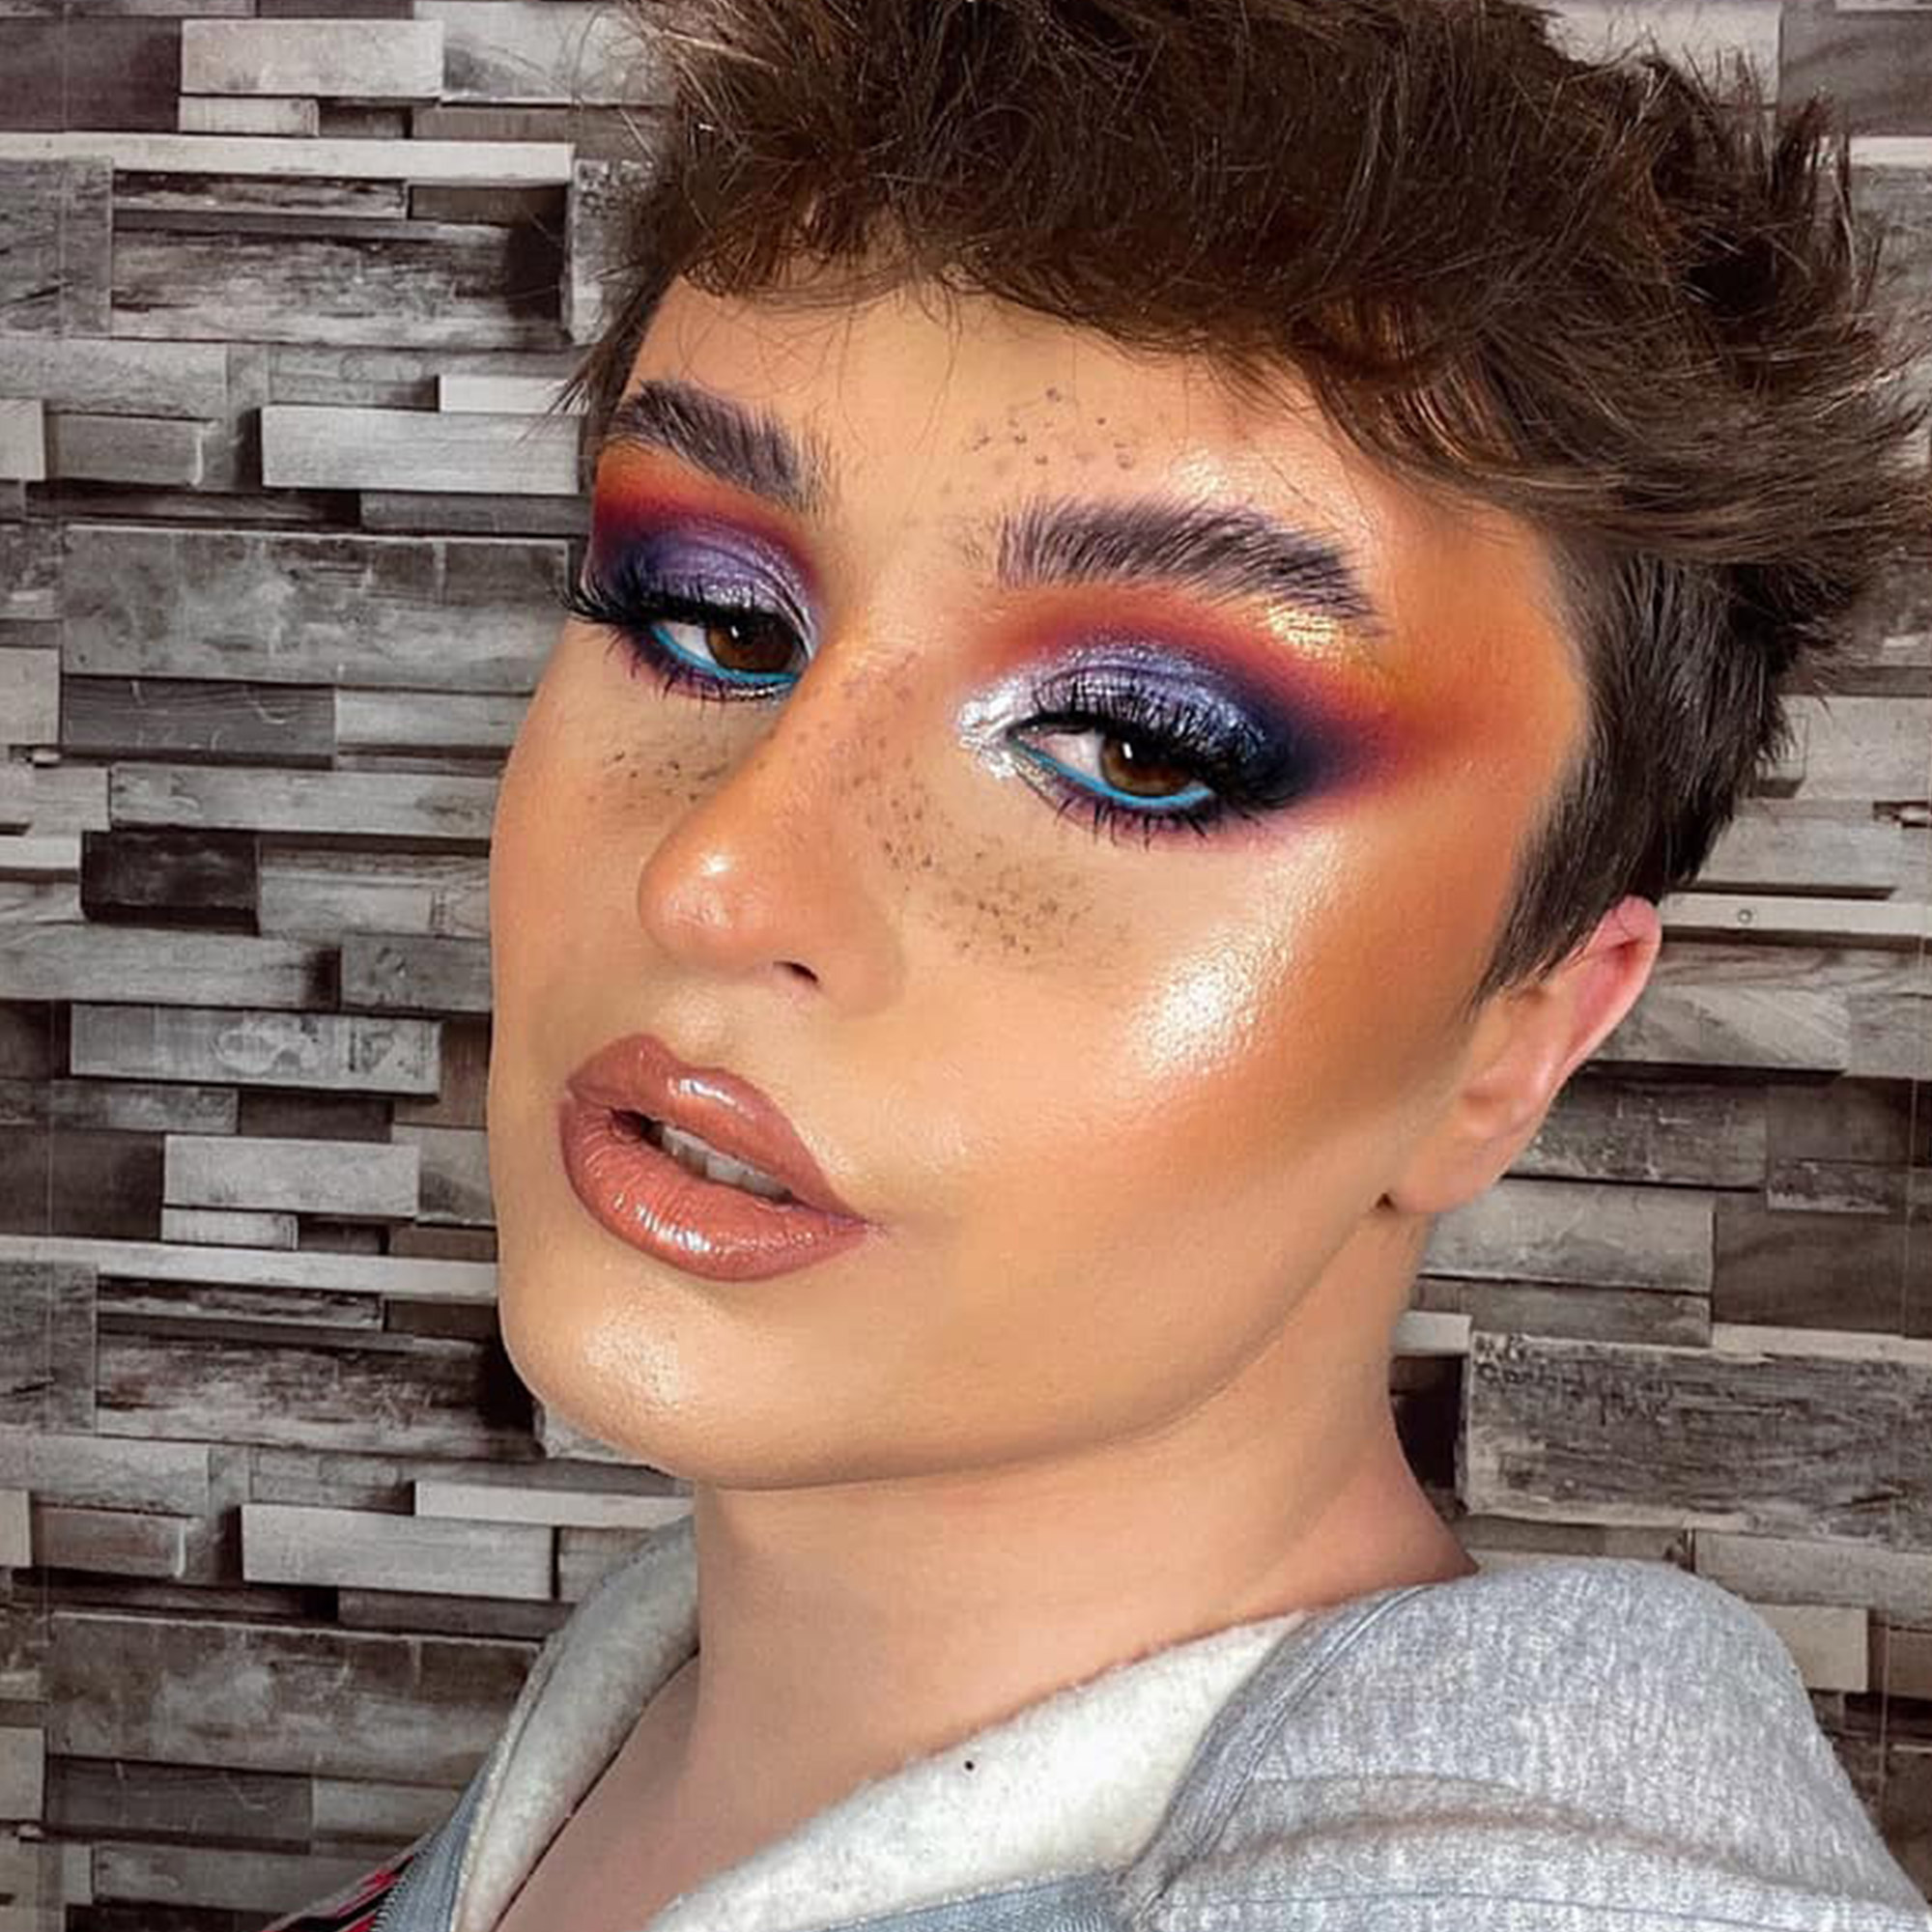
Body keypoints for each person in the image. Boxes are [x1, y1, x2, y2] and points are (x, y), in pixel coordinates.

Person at [265, 1, 1932, 1928]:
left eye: (1137, 745)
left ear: (1520, 1033)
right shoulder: (645, 1715)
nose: (715, 877)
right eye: (709, 617)